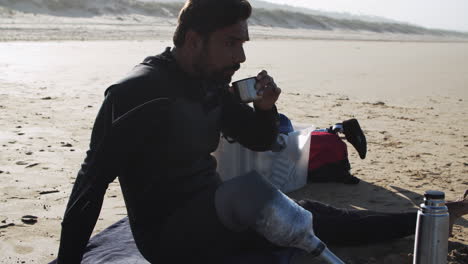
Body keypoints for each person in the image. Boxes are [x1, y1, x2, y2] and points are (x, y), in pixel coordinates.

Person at [56, 0, 468, 263]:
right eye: (232, 43)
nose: (242, 56)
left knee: (317, 217)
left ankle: (419, 219)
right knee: (277, 210)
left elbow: (257, 139)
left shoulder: (212, 83)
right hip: (168, 238)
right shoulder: (138, 92)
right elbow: (90, 183)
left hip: (214, 211)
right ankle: (421, 220)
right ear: (195, 40)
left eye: (244, 43)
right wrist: (68, 260)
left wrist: (266, 110)